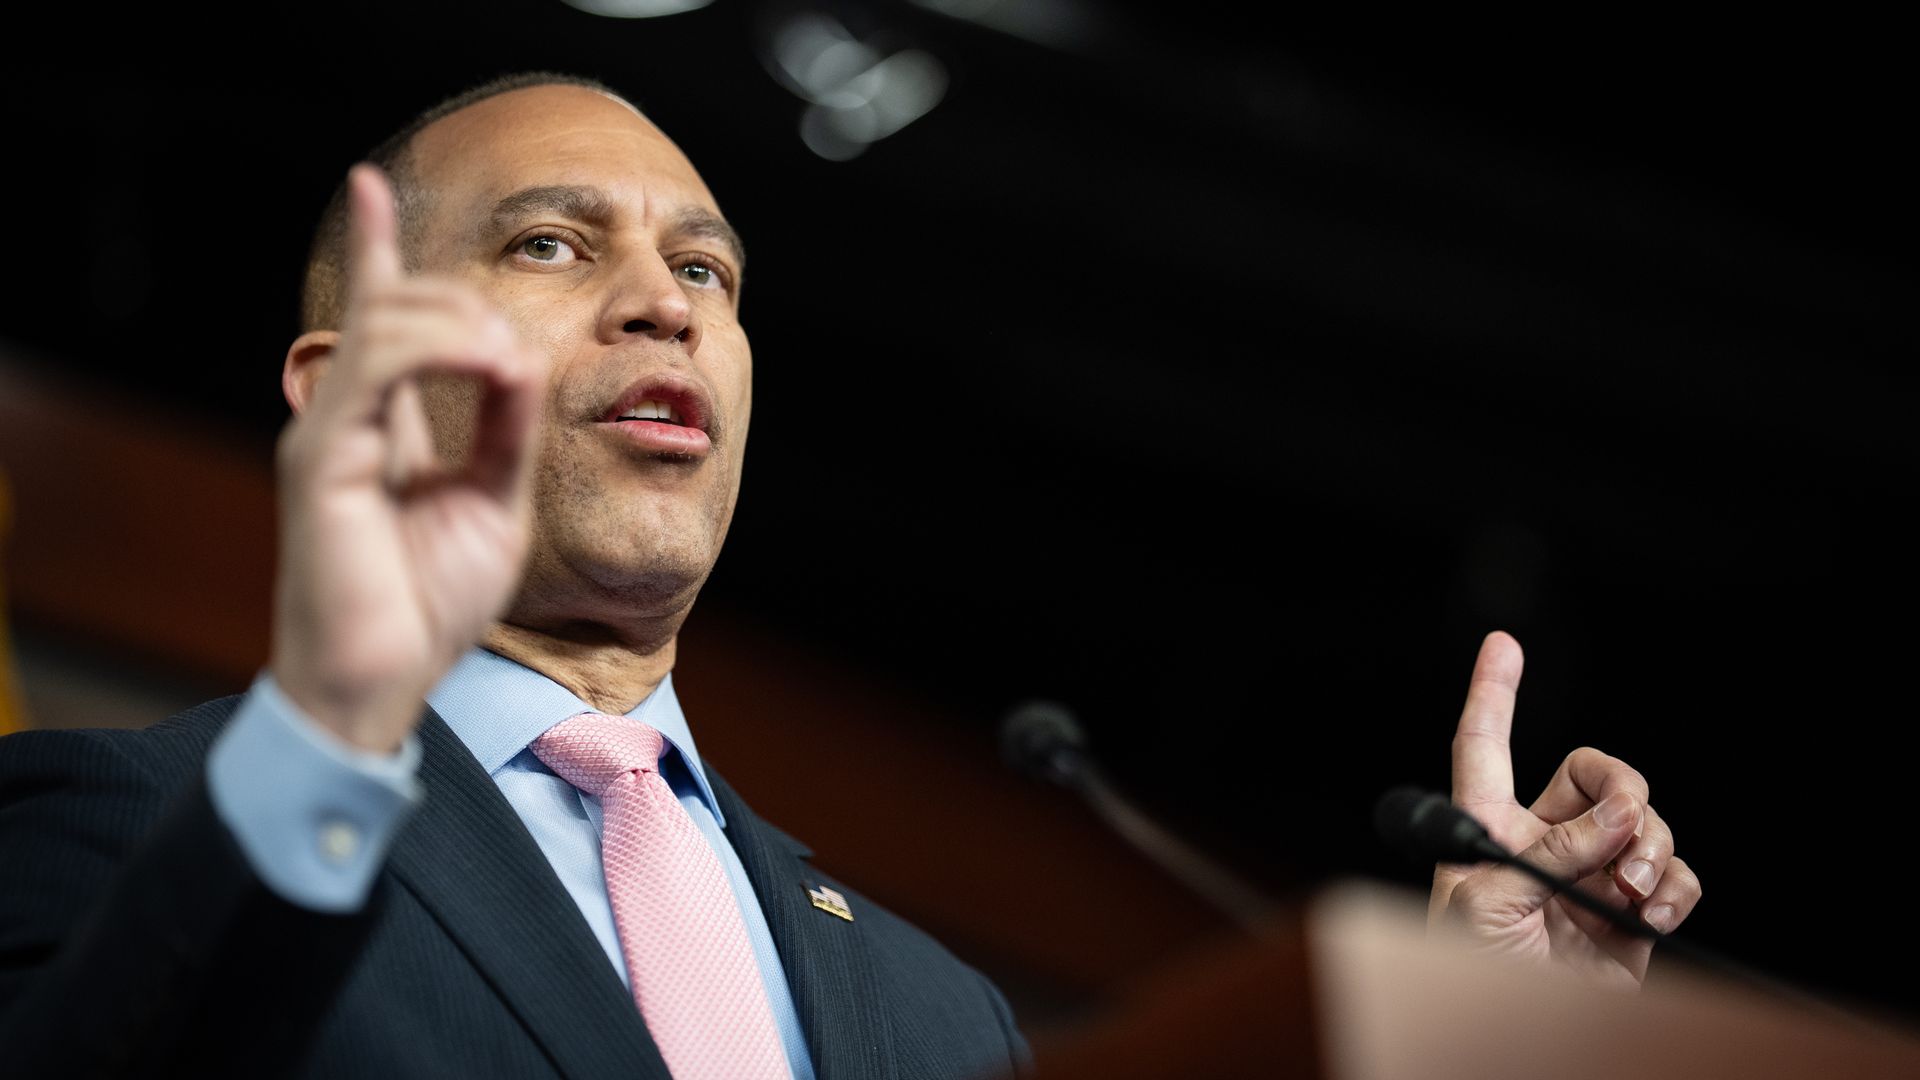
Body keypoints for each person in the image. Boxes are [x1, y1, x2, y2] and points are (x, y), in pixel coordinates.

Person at [0, 71, 1700, 1077]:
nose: (665, 306)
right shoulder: (118, 822)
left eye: (708, 271)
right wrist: (334, 727)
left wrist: (1470, 1036)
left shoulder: (935, 1013)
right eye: (550, 242)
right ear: (340, 391)